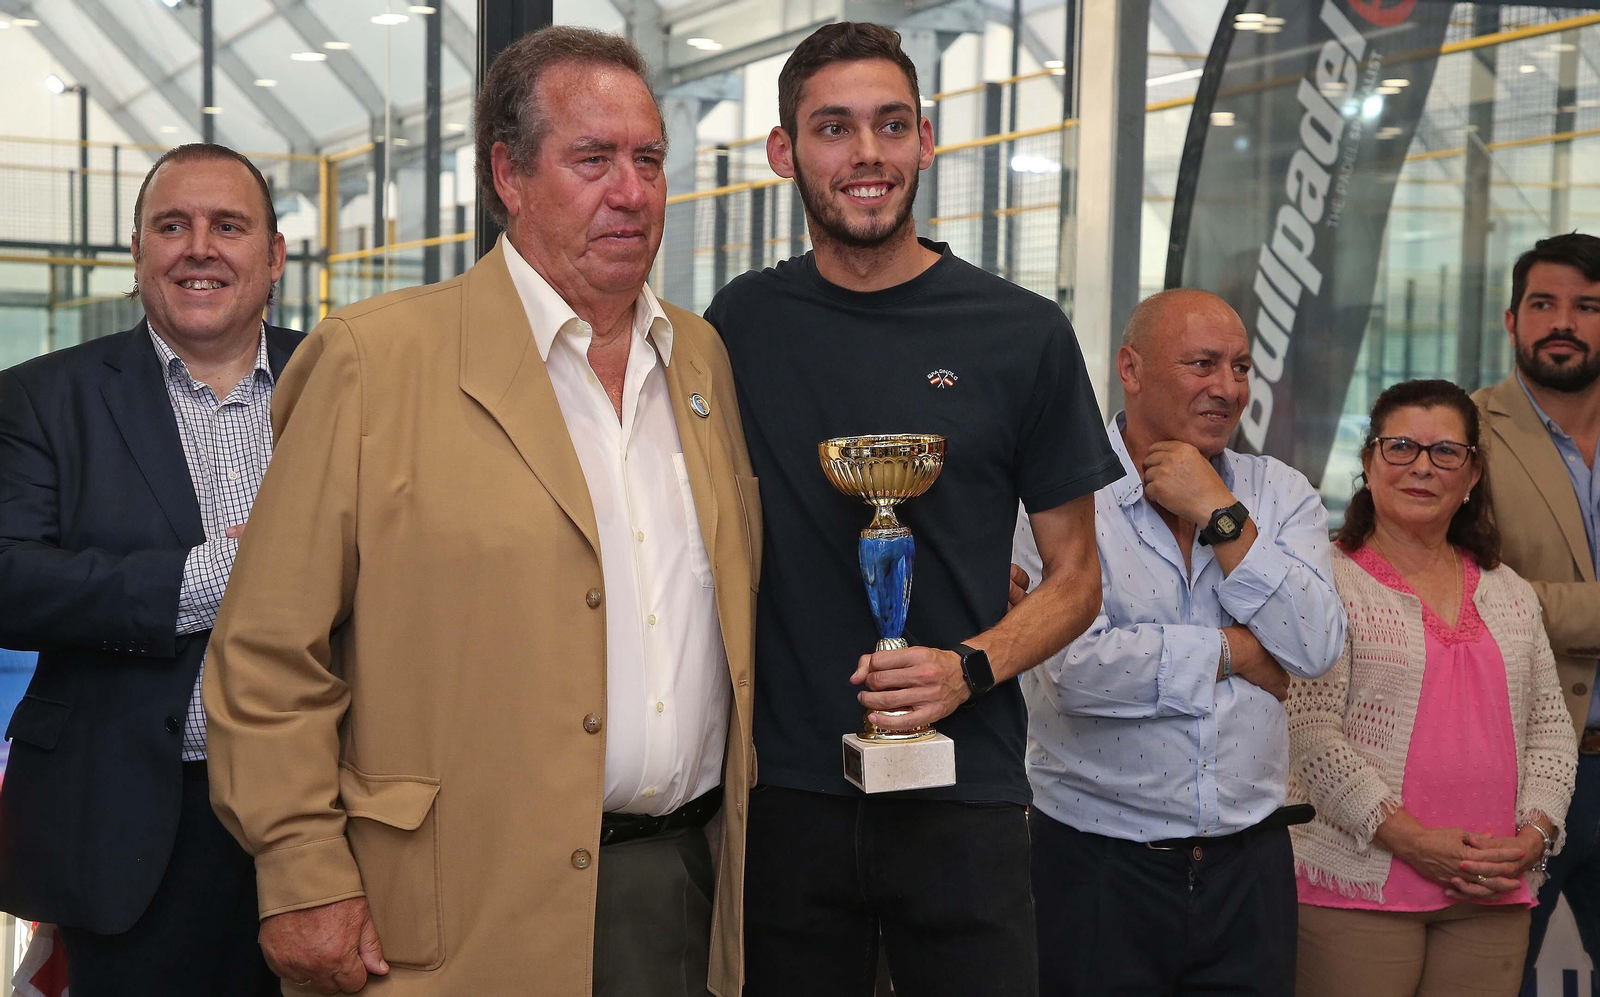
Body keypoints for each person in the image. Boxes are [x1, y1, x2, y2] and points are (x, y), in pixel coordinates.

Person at [202, 27, 758, 997]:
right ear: (509, 174)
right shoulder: (375, 362)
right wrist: (300, 870)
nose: (632, 192)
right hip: (458, 915)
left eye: (649, 159)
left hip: (681, 893)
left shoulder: (699, 359)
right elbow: (265, 655)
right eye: (593, 159)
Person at [705, 22, 1117, 997]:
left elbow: (1077, 580)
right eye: (834, 128)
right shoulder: (738, 327)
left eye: (892, 126)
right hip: (783, 793)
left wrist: (967, 667)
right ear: (784, 151)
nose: (867, 154)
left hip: (963, 792)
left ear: (926, 141)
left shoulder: (1022, 333)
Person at [0, 143, 298, 996]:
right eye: (172, 226)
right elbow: (12, 580)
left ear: (274, 255)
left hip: (317, 815)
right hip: (125, 828)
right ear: (137, 255)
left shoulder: (350, 383)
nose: (200, 248)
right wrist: (225, 571)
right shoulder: (40, 399)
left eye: (228, 226)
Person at [1014, 288, 1346, 996]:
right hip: (1096, 865)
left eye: (1241, 367)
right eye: (1203, 364)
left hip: (1250, 867)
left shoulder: (1279, 494)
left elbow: (1317, 644)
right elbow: (1075, 670)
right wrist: (1239, 652)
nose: (1228, 388)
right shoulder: (1060, 495)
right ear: (1130, 369)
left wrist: (1219, 512)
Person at [1288, 378, 1578, 997]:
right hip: (1357, 885)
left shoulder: (1510, 592)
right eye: (1401, 447)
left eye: (1446, 451)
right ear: (1369, 462)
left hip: (1491, 890)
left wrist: (1532, 838)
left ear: (1472, 475)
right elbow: (1310, 734)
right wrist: (1414, 842)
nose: (1422, 466)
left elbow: (1552, 734)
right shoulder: (1325, 581)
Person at [1472, 234, 1600, 997]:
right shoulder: (1466, 433)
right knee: (1491, 981)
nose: (1564, 323)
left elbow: (1521, 596)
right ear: (1511, 318)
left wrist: (1540, 599)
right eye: (1544, 304)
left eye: (1587, 306)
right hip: (1518, 771)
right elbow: (1476, 597)